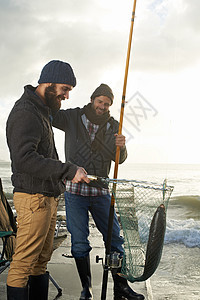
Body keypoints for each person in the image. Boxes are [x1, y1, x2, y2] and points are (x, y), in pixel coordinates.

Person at [6, 60, 90, 300]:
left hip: (47, 198)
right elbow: (24, 159)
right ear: (49, 83)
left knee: (40, 263)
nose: (66, 96)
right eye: (65, 89)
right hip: (33, 199)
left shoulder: (42, 111)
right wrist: (68, 170)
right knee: (22, 265)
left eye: (69, 91)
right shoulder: (25, 111)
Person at [53, 83, 145, 300]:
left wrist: (122, 147)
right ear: (93, 99)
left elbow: (119, 159)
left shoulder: (114, 126)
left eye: (107, 104)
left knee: (114, 240)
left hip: (101, 192)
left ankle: (121, 288)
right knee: (80, 243)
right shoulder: (73, 117)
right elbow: (49, 113)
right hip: (75, 192)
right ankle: (87, 289)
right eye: (100, 101)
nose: (102, 106)